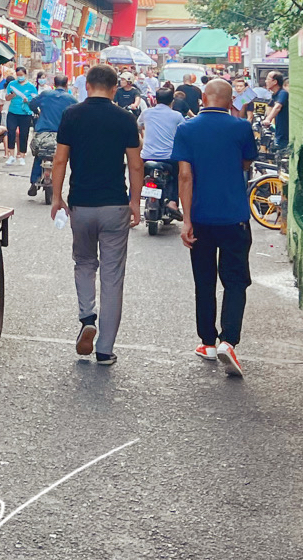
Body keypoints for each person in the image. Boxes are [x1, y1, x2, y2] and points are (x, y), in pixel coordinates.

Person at [49, 64, 142, 365]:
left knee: (85, 263)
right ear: (115, 88)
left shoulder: (72, 115)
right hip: (115, 205)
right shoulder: (126, 118)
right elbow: (136, 165)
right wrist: (135, 202)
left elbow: (60, 160)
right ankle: (105, 349)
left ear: (87, 86)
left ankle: (87, 316)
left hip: (82, 206)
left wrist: (56, 197)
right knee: (113, 276)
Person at [175, 78, 259, 377]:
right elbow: (247, 162)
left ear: (204, 98)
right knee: (236, 281)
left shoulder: (186, 129)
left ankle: (207, 342)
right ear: (229, 99)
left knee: (205, 280)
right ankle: (229, 340)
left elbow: (185, 176)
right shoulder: (241, 127)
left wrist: (186, 219)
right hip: (235, 217)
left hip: (200, 218)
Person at [139, 84, 186, 216]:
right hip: (169, 158)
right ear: (172, 101)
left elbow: (138, 126)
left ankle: (135, 199)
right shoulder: (176, 116)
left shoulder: (146, 113)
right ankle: (172, 201)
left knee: (138, 176)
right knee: (178, 176)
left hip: (147, 156)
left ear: (155, 100)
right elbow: (185, 132)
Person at [28, 74, 74, 199]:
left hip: (42, 132)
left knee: (39, 154)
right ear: (66, 84)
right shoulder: (71, 98)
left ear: (54, 84)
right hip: (62, 134)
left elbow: (31, 104)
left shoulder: (45, 94)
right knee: (61, 159)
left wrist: (38, 111)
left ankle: (33, 181)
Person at [2, 66, 38, 165]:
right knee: (11, 132)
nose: (19, 77)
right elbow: (7, 98)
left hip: (25, 113)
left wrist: (28, 100)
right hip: (13, 112)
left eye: (21, 75)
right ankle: (11, 155)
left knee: (24, 134)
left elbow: (35, 100)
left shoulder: (31, 87)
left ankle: (22, 155)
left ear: (25, 75)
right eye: (18, 75)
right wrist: (11, 96)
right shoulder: (12, 84)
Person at [267, 72, 290, 156]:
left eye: (268, 79)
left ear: (275, 82)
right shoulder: (275, 95)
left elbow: (277, 107)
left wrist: (268, 119)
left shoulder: (282, 93)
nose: (266, 81)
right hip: (279, 133)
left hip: (284, 135)